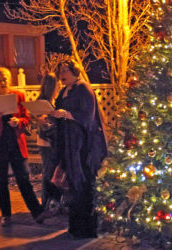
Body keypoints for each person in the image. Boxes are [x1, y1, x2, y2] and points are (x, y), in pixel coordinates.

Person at [51, 59, 107, 238]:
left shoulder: (83, 89)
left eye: (66, 70)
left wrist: (67, 114)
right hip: (69, 144)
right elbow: (59, 112)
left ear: (75, 71)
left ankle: (87, 228)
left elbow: (88, 118)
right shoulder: (64, 91)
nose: (63, 74)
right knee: (73, 184)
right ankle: (75, 225)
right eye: (61, 70)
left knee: (84, 182)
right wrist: (51, 117)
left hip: (84, 145)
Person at [0, 67, 44, 226]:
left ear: (10, 80)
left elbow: (26, 118)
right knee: (0, 181)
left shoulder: (18, 95)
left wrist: (19, 122)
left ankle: (37, 212)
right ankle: (6, 215)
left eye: (5, 79)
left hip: (16, 143)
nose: (3, 82)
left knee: (23, 178)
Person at [35, 73, 62, 212]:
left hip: (51, 142)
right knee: (48, 172)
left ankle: (53, 201)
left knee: (52, 172)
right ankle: (46, 202)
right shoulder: (43, 102)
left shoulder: (52, 100)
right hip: (47, 143)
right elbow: (43, 124)